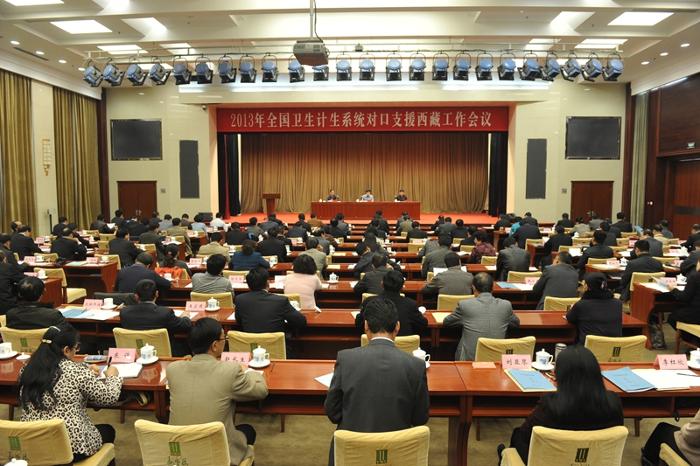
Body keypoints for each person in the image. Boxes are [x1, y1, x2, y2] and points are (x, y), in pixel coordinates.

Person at [325, 296, 429, 466]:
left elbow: (332, 413)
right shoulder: (416, 366)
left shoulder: (346, 359)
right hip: (398, 453)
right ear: (397, 327)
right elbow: (420, 418)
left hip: (353, 451)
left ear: (366, 326)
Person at [167, 318, 267, 466]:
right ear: (214, 345)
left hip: (180, 455)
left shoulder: (173, 369)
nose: (224, 341)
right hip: (216, 456)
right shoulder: (230, 370)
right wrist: (250, 371)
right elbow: (261, 391)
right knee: (248, 430)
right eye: (223, 338)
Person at [19, 324, 121, 461]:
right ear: (66, 350)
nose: (77, 351)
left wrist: (85, 368)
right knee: (108, 430)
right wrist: (113, 376)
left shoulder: (27, 369)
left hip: (34, 444)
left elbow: (57, 371)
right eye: (76, 347)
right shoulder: (75, 372)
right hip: (71, 446)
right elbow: (108, 397)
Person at [506, 345, 624, 462]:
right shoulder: (613, 402)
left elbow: (525, 435)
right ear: (596, 373)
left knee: (517, 435)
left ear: (559, 375)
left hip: (551, 461)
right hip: (594, 461)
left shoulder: (550, 405)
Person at [443, 273, 519, 360]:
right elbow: (516, 323)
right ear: (492, 288)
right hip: (497, 359)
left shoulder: (465, 305)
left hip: (470, 361)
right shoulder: (506, 305)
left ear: (473, 288)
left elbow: (447, 322)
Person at [120, 279, 192, 356]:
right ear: (157, 294)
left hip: (135, 355)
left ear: (136, 296)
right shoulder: (165, 313)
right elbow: (186, 325)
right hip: (165, 354)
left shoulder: (124, 312)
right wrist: (185, 316)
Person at [355, 270, 427, 336]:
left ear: (382, 284)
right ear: (402, 287)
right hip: (404, 345)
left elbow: (358, 323)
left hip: (375, 344)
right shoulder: (410, 304)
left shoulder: (369, 302)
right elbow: (423, 324)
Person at [234, 268, 307, 333]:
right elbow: (300, 321)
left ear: (248, 285)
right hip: (276, 342)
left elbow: (239, 321)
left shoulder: (240, 299)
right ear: (267, 283)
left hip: (249, 341)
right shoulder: (280, 301)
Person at [565, 272, 622, 344]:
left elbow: (570, 318)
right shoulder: (618, 304)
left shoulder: (581, 305)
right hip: (613, 348)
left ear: (586, 287)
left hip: (587, 349)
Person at [667, 259, 700, 329]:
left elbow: (684, 298)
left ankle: (689, 335)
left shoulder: (695, 276)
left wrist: (673, 289)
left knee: (671, 318)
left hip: (695, 314)